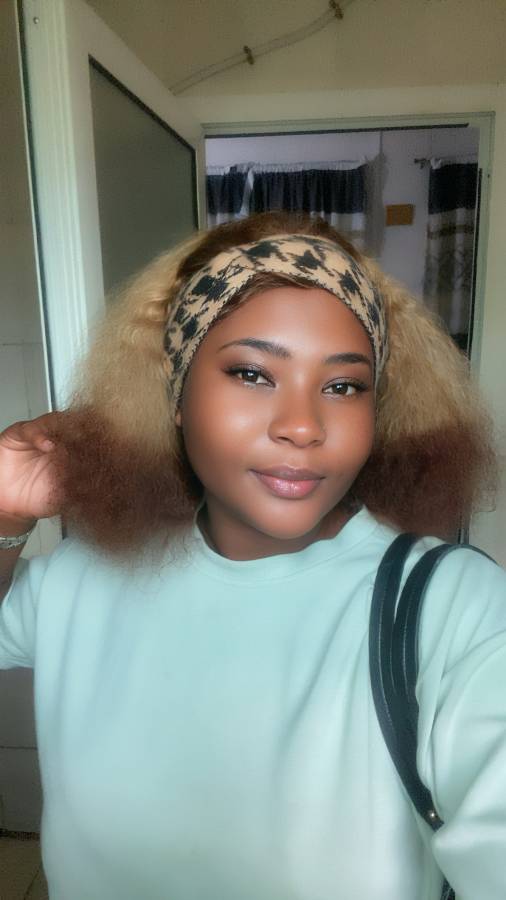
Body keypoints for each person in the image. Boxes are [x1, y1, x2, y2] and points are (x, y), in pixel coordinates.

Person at [0, 211, 504, 900]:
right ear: (176, 393)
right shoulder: (85, 575)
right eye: (252, 373)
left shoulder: (452, 608)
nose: (303, 426)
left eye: (343, 386)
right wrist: (5, 514)